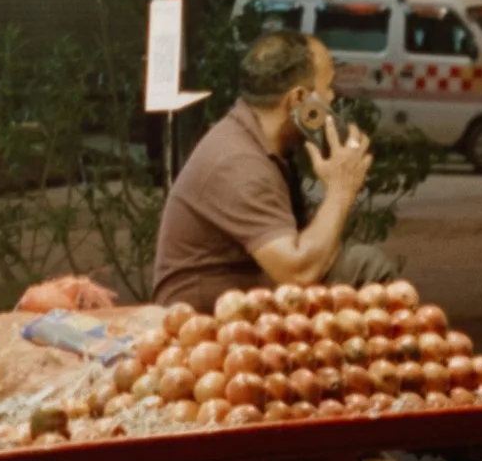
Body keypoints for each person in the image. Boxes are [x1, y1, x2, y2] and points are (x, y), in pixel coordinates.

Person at [152, 29, 395, 312]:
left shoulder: (262, 144)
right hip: (205, 320)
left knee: (352, 262)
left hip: (249, 298)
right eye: (327, 88)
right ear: (300, 100)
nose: (332, 97)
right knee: (363, 264)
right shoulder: (239, 163)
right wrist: (341, 189)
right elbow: (298, 273)